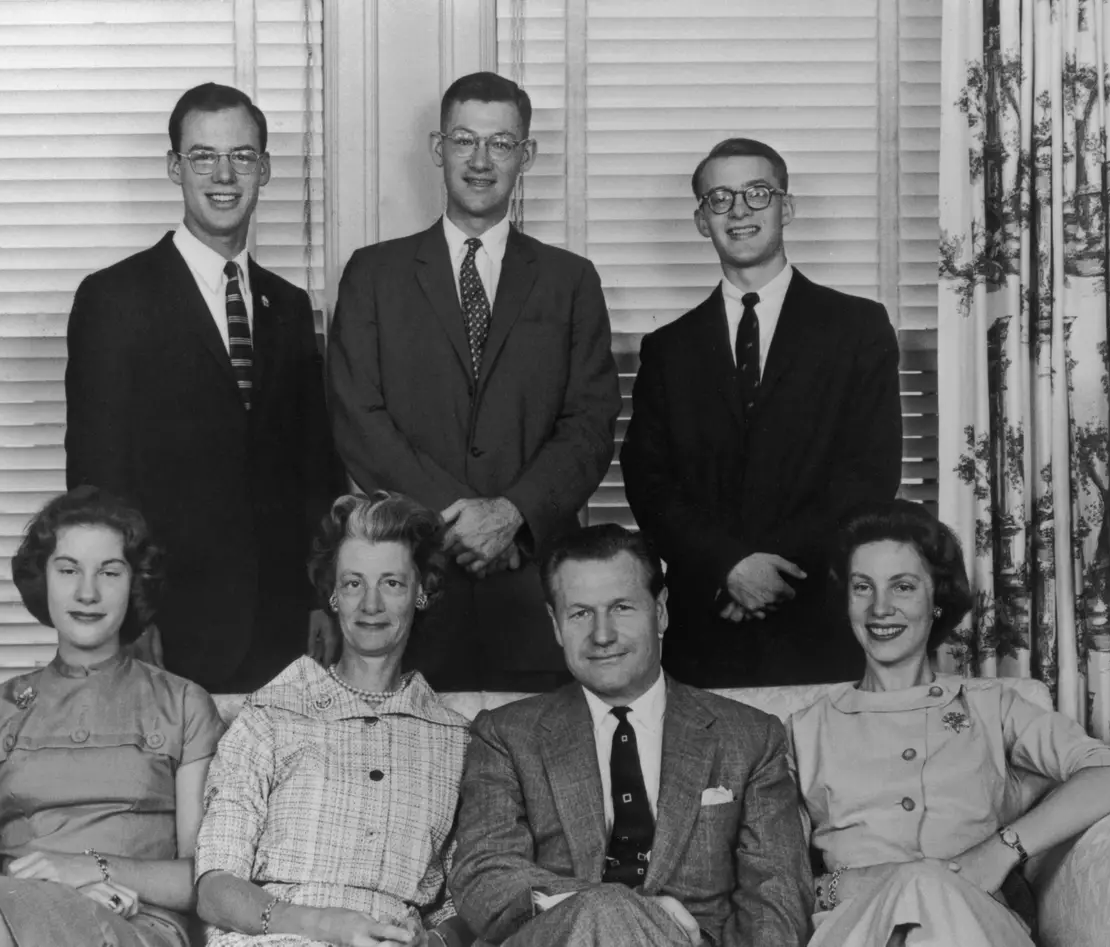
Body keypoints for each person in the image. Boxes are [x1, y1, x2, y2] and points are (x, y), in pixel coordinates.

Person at [326, 71, 620, 692]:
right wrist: (456, 527)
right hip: (414, 588)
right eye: (464, 141)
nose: (481, 161)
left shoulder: (571, 281)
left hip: (535, 587)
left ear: (527, 155)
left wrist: (513, 514)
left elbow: (589, 425)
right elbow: (359, 418)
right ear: (439, 150)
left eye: (501, 144)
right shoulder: (373, 275)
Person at [65, 82, 343, 694]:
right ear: (175, 167)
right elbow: (95, 480)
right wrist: (128, 610)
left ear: (264, 169)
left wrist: (320, 597)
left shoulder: (288, 306)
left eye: (242, 156)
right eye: (203, 156)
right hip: (168, 625)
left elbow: (313, 473)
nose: (224, 174)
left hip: (281, 629)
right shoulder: (115, 299)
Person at [788, 500, 1110, 947]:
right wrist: (845, 886)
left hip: (975, 923)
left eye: (902, 587)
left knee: (930, 889)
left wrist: (1000, 850)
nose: (880, 608)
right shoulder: (805, 728)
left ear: (936, 599)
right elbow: (770, 872)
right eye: (863, 587)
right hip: (857, 929)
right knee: (921, 884)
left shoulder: (991, 706)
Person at [620, 137, 902, 688]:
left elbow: (870, 474)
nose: (740, 209)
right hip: (705, 623)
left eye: (757, 192)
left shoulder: (857, 328)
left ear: (786, 208)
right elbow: (649, 483)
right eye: (720, 198)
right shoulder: (667, 348)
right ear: (703, 220)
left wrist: (770, 570)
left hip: (819, 615)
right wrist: (729, 566)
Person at [449, 524, 812, 947]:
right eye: (580, 613)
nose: (602, 635)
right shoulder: (506, 734)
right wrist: (621, 909)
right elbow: (484, 875)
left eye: (621, 607)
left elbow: (778, 894)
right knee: (605, 910)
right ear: (554, 624)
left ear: (660, 611)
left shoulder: (750, 736)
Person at [0, 486, 226, 947]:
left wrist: (92, 870)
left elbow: (203, 877)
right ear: (42, 579)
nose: (88, 592)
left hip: (136, 923)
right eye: (68, 570)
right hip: (13, 914)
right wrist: (55, 891)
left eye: (110, 571)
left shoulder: (184, 705)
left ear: (136, 582)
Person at [195, 492, 474, 947]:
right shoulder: (269, 716)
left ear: (421, 592)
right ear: (333, 594)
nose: (370, 604)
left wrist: (434, 940)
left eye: (392, 583)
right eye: (353, 584)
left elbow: (470, 894)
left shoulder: (455, 740)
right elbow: (214, 891)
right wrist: (323, 926)